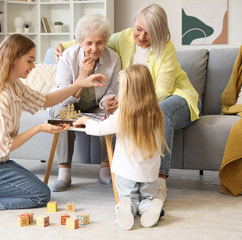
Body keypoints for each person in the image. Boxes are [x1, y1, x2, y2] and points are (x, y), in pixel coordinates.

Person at [0, 34, 108, 211]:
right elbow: (4, 147)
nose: (33, 66)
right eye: (30, 61)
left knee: (35, 187)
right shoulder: (2, 97)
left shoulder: (13, 84)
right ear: (14, 59)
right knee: (40, 195)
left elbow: (45, 100)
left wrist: (80, 83)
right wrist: (39, 128)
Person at [55, 4, 200, 204]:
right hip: (138, 99)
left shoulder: (165, 49)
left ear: (158, 33)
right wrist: (62, 45)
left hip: (177, 96)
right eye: (138, 30)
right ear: (134, 25)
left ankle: (160, 182)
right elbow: (93, 38)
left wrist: (129, 106)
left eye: (148, 33)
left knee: (161, 111)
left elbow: (164, 91)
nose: (140, 37)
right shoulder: (123, 37)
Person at [73, 64, 167, 230]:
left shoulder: (123, 114)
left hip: (126, 171)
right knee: (147, 197)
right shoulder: (156, 112)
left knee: (128, 196)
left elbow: (101, 129)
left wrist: (86, 121)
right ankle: (150, 206)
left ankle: (126, 206)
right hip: (149, 171)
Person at [49, 13, 121, 192]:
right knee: (59, 113)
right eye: (89, 43)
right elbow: (62, 96)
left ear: (105, 41)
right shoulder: (68, 56)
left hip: (96, 106)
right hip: (68, 104)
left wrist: (107, 103)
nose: (94, 49)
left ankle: (105, 171)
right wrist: (82, 75)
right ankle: (64, 172)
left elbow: (112, 90)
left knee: (112, 115)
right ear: (80, 42)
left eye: (99, 43)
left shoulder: (114, 59)